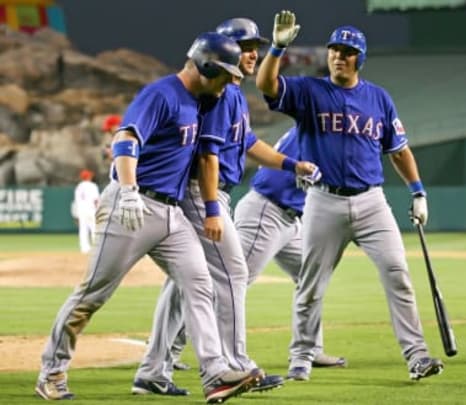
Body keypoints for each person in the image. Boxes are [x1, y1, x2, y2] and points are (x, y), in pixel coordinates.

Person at [35, 31, 262, 404]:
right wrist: (126, 190)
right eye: (226, 76)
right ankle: (52, 371)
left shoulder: (202, 102)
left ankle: (216, 373)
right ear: (207, 66)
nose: (228, 86)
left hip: (172, 214)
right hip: (133, 207)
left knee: (200, 284)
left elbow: (210, 154)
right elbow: (125, 139)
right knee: (93, 293)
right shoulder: (161, 94)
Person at [132, 18, 318, 396]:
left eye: (255, 47)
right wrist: (214, 207)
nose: (253, 54)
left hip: (207, 194)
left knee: (184, 284)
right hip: (203, 193)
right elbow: (208, 158)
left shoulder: (231, 94)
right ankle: (235, 365)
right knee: (232, 273)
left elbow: (248, 143)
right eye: (246, 47)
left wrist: (290, 164)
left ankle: (153, 369)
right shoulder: (218, 95)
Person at [256, 11, 443, 382]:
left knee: (398, 275)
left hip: (372, 202)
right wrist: (277, 47)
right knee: (311, 284)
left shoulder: (378, 98)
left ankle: (417, 356)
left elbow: (399, 150)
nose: (339, 56)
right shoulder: (310, 91)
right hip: (324, 201)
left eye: (348, 51)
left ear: (361, 58)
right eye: (335, 49)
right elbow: (268, 84)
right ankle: (301, 358)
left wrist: (418, 191)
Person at [234, 126, 346, 368]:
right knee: (232, 283)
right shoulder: (313, 130)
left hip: (290, 219)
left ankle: (310, 350)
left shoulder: (321, 130)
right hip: (266, 212)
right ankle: (172, 345)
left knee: (311, 277)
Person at [72, 169, 100, 254]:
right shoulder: (93, 185)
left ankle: (84, 248)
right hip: (91, 209)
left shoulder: (79, 187)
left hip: (81, 210)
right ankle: (97, 248)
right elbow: (96, 200)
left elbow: (76, 201)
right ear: (88, 177)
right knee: (94, 228)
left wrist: (75, 213)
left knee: (83, 229)